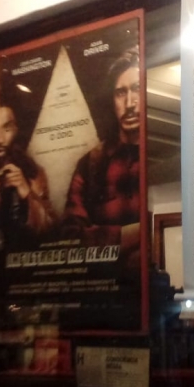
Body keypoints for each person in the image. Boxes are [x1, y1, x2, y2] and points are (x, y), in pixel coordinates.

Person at [61, 47, 141, 252]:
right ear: (112, 101)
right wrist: (134, 235)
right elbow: (71, 235)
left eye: (137, 88)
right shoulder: (92, 163)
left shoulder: (159, 156)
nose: (129, 103)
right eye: (121, 93)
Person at [0, 100, 56, 249]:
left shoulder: (33, 172)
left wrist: (26, 193)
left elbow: (49, 228)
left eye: (6, 128)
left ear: (16, 130)